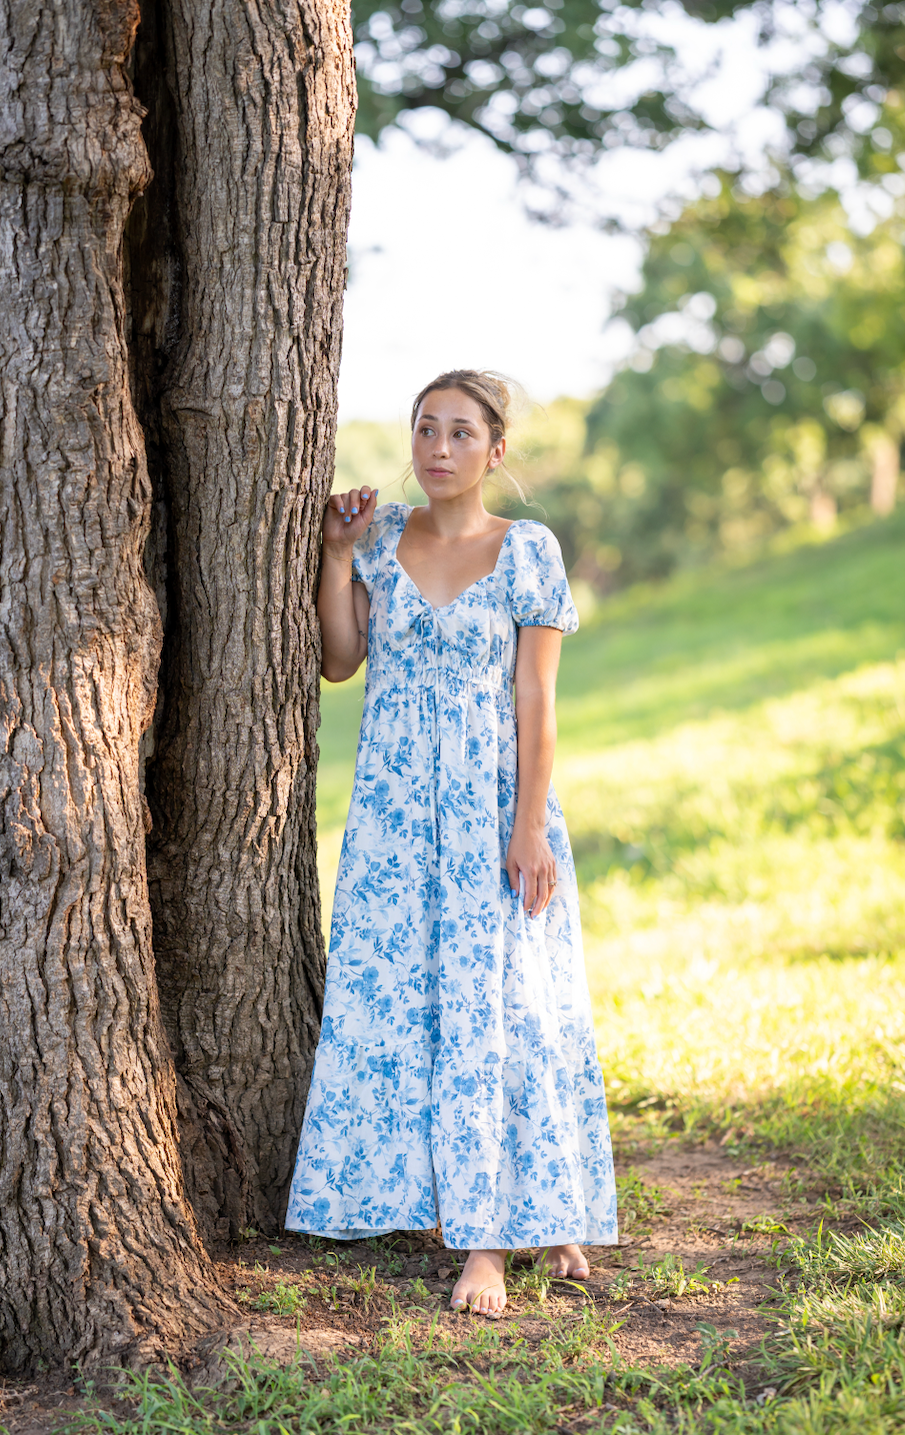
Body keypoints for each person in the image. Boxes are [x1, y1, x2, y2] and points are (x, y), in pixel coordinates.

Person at [286, 369, 617, 1317]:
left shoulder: (528, 550)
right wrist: (336, 556)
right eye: (426, 428)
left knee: (501, 1008)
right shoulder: (379, 535)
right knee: (404, 1004)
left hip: (493, 814)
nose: (439, 447)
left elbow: (537, 699)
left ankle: (490, 1242)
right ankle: (526, 1206)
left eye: (461, 432)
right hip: (393, 818)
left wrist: (528, 828)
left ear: (495, 450)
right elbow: (340, 660)